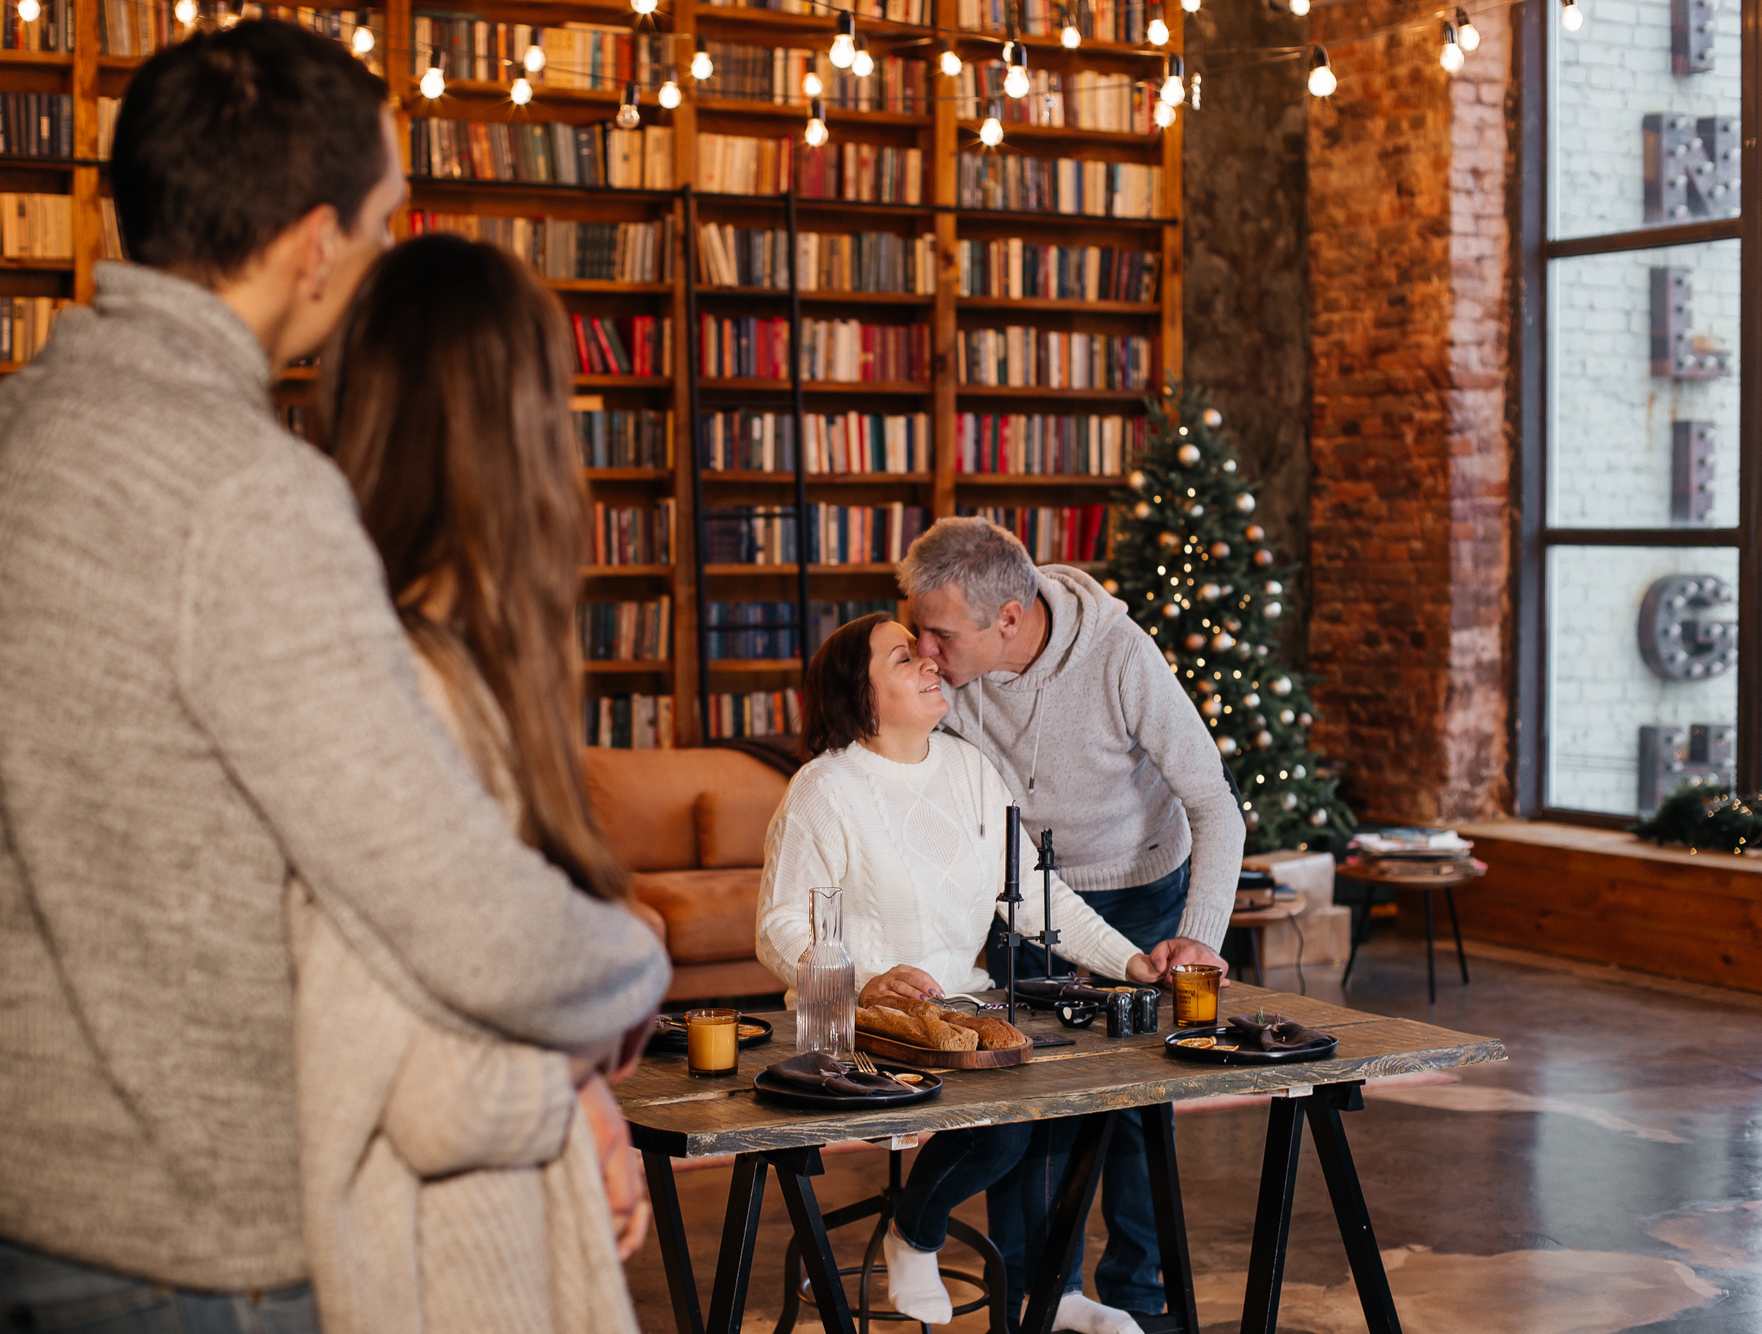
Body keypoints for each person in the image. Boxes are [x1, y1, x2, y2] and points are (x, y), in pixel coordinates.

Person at [0, 22, 667, 1332]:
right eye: (380, 225)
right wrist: (631, 964)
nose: (375, 260)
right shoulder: (248, 490)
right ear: (316, 244)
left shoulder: (0, 433)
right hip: (181, 1243)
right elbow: (459, 911)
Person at [282, 234, 653, 1334]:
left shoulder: (428, 665)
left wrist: (580, 1083)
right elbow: (431, 1081)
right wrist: (592, 1042)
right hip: (448, 1271)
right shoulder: (414, 691)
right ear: (517, 428)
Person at [757, 613, 1197, 1334]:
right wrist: (865, 978)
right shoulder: (823, 789)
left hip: (956, 1018)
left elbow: (1032, 893)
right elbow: (778, 928)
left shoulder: (967, 768)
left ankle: (1052, 1295)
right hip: (859, 1032)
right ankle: (915, 1232)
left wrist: (1132, 960)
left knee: (1054, 1100)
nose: (931, 662)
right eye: (905, 658)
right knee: (1005, 1127)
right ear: (861, 694)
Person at [898, 517, 1243, 1323]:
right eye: (916, 627)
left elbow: (1215, 806)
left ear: (1007, 621)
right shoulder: (947, 673)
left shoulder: (1122, 657)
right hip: (1026, 900)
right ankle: (1038, 1301)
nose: (923, 650)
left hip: (1137, 890)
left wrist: (1201, 932)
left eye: (939, 632)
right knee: (1029, 1100)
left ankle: (1141, 1296)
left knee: (1129, 1111)